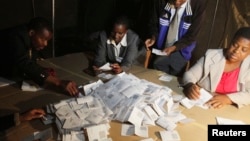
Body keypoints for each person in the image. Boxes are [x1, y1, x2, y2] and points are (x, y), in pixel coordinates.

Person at [0, 17, 79, 96]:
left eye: (47, 40)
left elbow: (30, 61)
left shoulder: (29, 39)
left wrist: (42, 71)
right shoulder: (15, 37)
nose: (45, 44)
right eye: (43, 39)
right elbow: (23, 63)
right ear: (31, 33)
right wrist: (58, 82)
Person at [182, 27, 250, 109]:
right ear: (230, 41)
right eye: (234, 45)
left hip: (230, 109)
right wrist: (189, 85)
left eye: (244, 49)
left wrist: (228, 99)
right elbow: (190, 74)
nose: (236, 51)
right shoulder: (212, 55)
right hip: (203, 104)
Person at [144, 0, 206, 77]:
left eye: (181, 0)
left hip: (182, 48)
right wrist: (153, 37)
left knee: (169, 66)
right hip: (162, 47)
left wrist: (175, 47)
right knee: (157, 67)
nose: (176, 2)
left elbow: (192, 35)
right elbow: (153, 22)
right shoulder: (160, 2)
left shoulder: (197, 5)